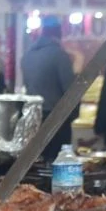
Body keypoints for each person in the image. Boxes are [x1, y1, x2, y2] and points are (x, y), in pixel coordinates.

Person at [24, 17, 76, 157]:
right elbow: (71, 91)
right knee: (57, 164)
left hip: (34, 118)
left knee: (37, 162)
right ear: (58, 34)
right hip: (56, 119)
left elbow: (27, 85)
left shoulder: (28, 55)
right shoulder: (59, 55)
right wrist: (72, 115)